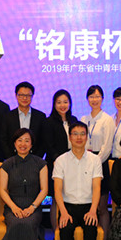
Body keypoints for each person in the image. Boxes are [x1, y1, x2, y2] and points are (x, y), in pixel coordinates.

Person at [53, 122, 102, 240]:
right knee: (65, 230)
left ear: (87, 137)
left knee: (91, 229)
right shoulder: (61, 160)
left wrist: (93, 211)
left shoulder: (95, 160)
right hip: (68, 207)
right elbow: (57, 190)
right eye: (75, 134)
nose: (79, 137)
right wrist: (63, 212)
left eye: (82, 134)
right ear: (69, 137)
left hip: (89, 206)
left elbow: (97, 188)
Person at [0, 128, 48, 240]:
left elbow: (44, 190)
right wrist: (13, 207)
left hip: (33, 207)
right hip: (12, 206)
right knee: (15, 223)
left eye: (27, 140)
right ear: (14, 143)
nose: (23, 144)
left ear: (32, 144)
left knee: (27, 224)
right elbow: (2, 190)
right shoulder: (7, 164)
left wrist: (32, 207)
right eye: (19, 140)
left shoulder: (40, 164)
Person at [80, 85, 115, 240]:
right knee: (87, 205)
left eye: (97, 96)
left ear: (102, 98)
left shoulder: (107, 119)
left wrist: (94, 164)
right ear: (87, 99)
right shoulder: (83, 119)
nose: (94, 99)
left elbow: (107, 148)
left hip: (100, 163)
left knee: (101, 207)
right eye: (91, 96)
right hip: (84, 163)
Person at [43, 89, 78, 227]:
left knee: (71, 198)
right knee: (56, 200)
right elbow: (49, 146)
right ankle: (56, 233)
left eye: (65, 102)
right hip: (56, 165)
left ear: (70, 103)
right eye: (59, 102)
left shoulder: (74, 120)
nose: (62, 105)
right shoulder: (48, 122)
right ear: (54, 104)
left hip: (74, 166)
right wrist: (61, 162)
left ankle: (68, 229)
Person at [0, 81, 46, 158]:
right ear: (16, 95)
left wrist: (36, 159)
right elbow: (3, 140)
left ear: (32, 96)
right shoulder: (7, 116)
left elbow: (43, 141)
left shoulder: (40, 116)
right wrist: (11, 159)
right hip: (12, 160)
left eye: (28, 95)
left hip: (34, 160)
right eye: (21, 95)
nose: (25, 98)